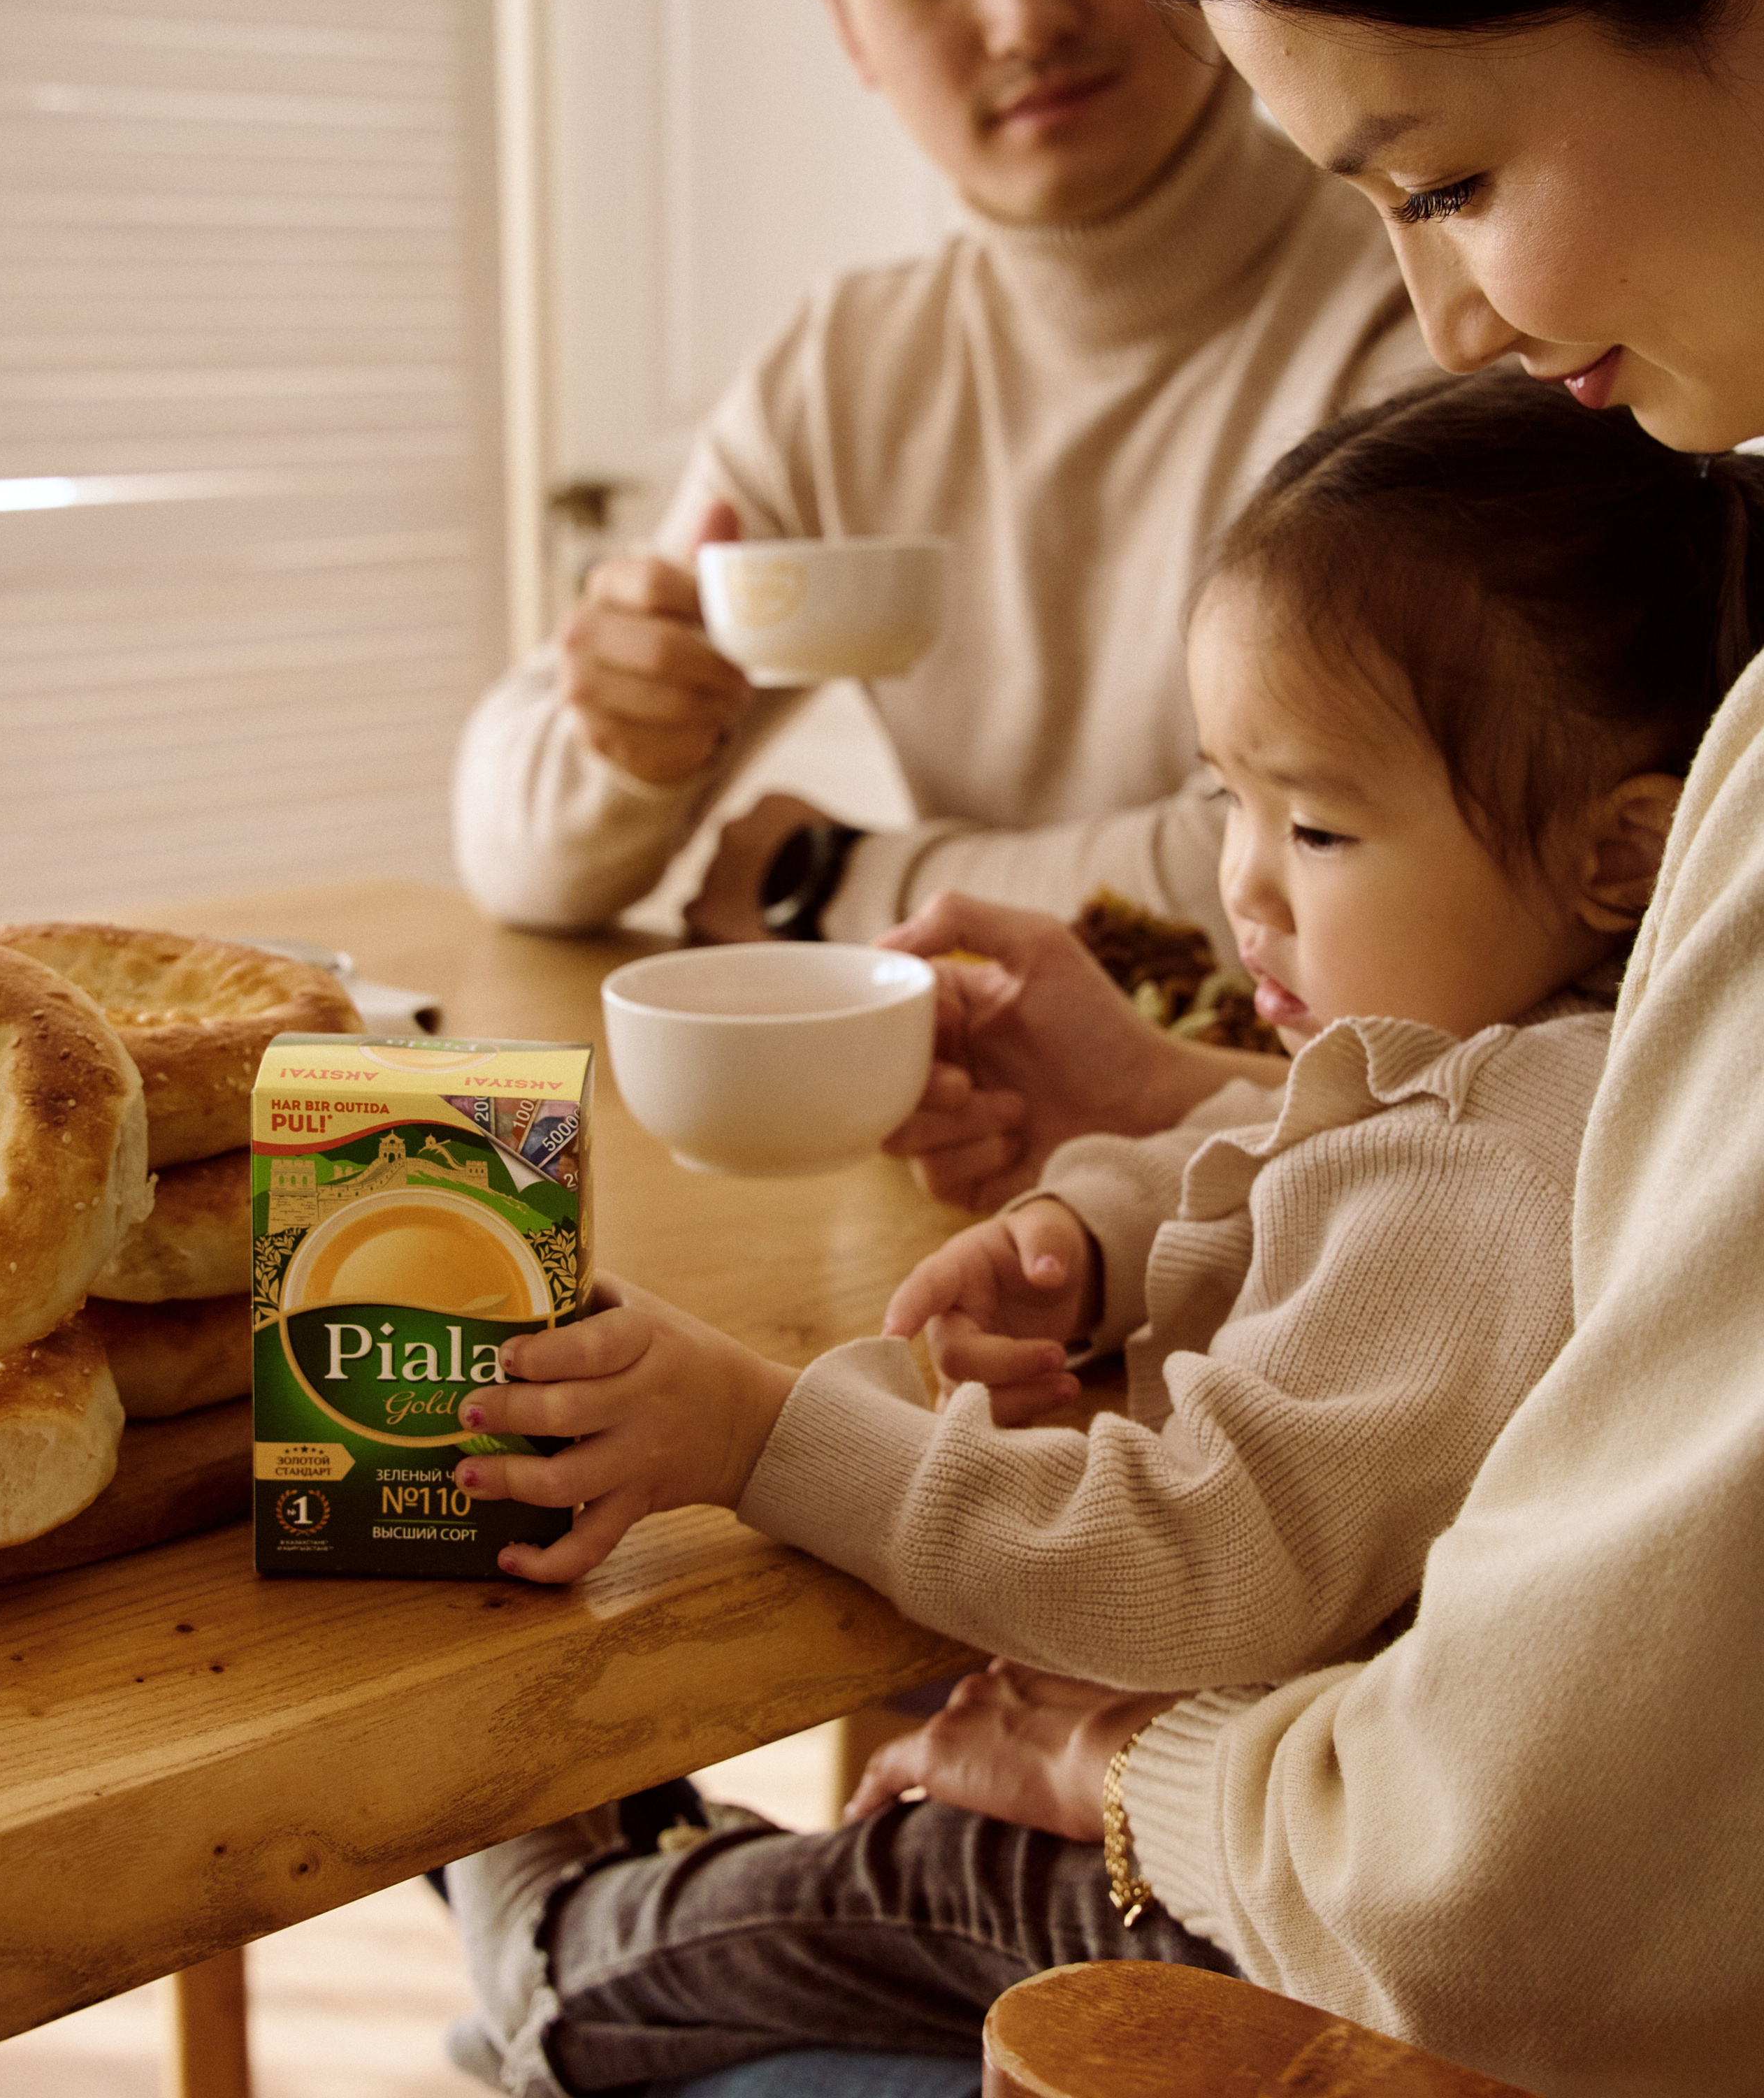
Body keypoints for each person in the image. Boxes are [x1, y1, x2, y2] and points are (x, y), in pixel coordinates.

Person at [438, 371, 1761, 2095]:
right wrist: (1105, 1223)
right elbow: (1309, 1146)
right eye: (1223, 798)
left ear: (1620, 854)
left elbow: (1197, 1566)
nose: (1242, 887)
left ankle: (557, 1952)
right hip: (1289, 1814)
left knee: (935, 1874)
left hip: (1270, 1924)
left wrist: (759, 1431)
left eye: (1316, 825)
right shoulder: (1549, 1071)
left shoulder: (1482, 1164)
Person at [758, 0, 1764, 2092]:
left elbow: (1516, 1873)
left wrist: (1145, 1766)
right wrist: (1148, 1143)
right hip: (1334, 1823)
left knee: (793, 1927)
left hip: (1372, 1915)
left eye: (1457, 180)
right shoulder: (848, 352)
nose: (1450, 317)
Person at [451, 0, 1431, 960]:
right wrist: (628, 739)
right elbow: (514, 851)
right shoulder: (851, 372)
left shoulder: (1420, 313)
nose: (1024, 19)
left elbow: (1338, 877)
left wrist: (828, 884)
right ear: (847, 23)